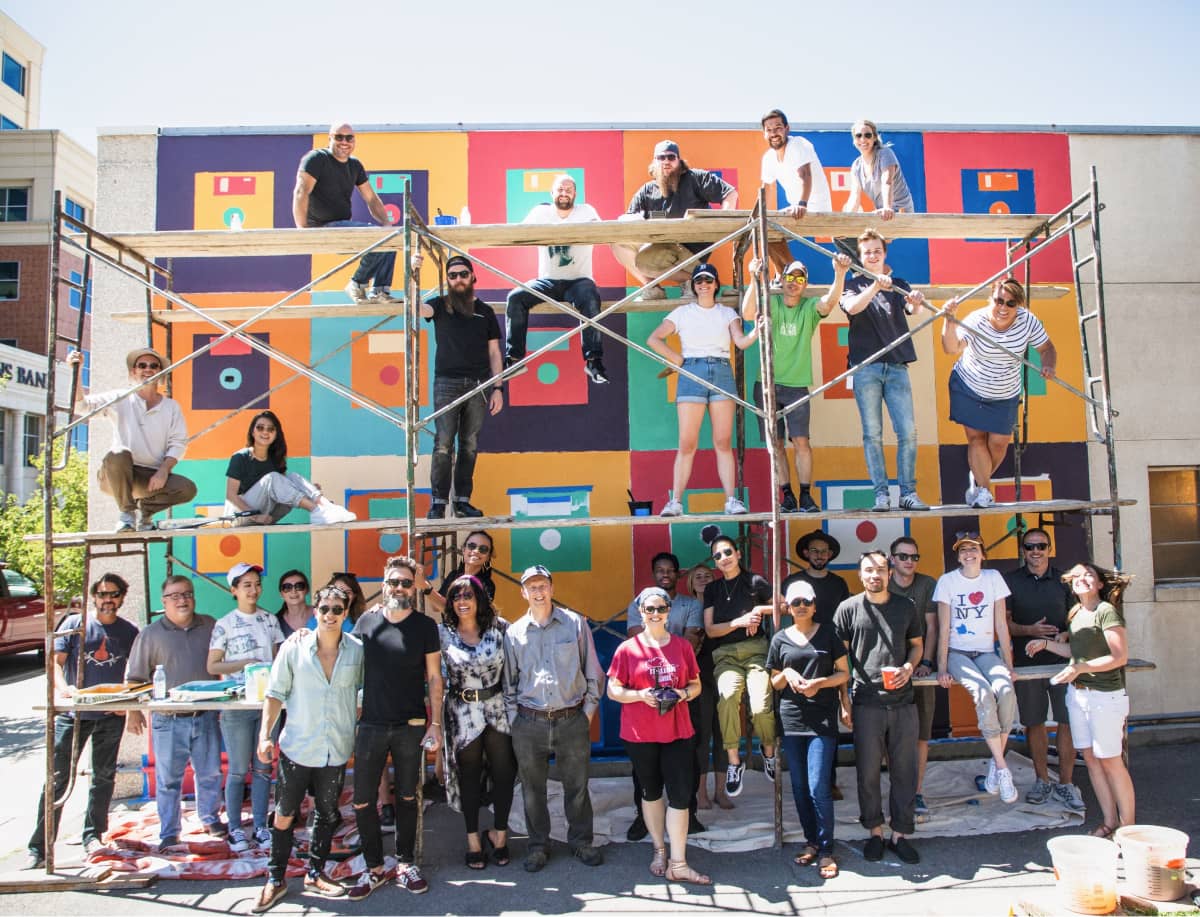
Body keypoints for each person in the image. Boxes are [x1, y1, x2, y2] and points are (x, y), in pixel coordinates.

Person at [252, 584, 364, 912]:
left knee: (327, 813)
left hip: (336, 746)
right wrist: (265, 735)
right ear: (316, 611)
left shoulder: (357, 650)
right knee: (285, 814)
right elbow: (275, 693)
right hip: (298, 746)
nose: (330, 615)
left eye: (337, 609)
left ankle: (315, 873)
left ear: (346, 613)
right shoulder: (294, 648)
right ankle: (275, 878)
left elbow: (367, 688)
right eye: (324, 608)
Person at [25, 574, 139, 869]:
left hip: (109, 716)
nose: (107, 599)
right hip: (73, 716)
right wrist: (64, 691)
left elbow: (137, 673)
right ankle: (39, 846)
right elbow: (54, 663)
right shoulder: (75, 625)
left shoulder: (129, 632)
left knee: (103, 778)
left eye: (113, 594)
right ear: (93, 597)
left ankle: (93, 835)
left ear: (122, 597)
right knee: (57, 780)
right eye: (101, 594)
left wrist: (127, 704)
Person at [347, 555, 442, 899]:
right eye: (393, 582)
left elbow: (434, 677)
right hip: (370, 724)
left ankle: (405, 863)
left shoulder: (424, 626)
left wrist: (436, 724)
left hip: (410, 724)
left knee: (407, 796)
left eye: (406, 582)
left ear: (413, 587)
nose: (399, 588)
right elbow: (348, 674)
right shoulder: (365, 624)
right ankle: (373, 867)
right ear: (383, 585)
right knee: (362, 800)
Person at [502, 564, 605, 873]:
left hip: (571, 719)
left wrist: (586, 714)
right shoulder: (514, 632)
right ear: (522, 592)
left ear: (552, 588)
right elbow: (509, 682)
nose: (538, 590)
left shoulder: (574, 624)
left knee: (577, 786)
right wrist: (514, 721)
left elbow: (594, 673)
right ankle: (538, 846)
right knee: (533, 790)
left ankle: (581, 842)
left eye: (543, 584)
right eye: (531, 586)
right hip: (528, 722)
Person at [608, 587, 709, 886]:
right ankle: (659, 850)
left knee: (680, 795)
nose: (655, 614)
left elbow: (696, 685)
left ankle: (678, 862)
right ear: (640, 611)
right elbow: (613, 690)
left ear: (669, 611)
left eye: (660, 608)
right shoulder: (627, 649)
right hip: (640, 733)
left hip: (678, 730)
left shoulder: (682, 647)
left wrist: (681, 693)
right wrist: (640, 695)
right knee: (650, 793)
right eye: (649, 609)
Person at [1026, 562, 1133, 838]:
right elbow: (1075, 651)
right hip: (1078, 696)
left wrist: (1080, 668)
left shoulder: (1106, 611)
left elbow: (1119, 657)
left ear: (1099, 584)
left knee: (1111, 760)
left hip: (1105, 697)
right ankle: (1109, 823)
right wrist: (1047, 644)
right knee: (1091, 758)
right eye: (1076, 576)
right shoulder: (1075, 612)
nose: (1082, 579)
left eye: (1089, 576)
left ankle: (1129, 830)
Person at [648, 262, 759, 517]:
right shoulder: (682, 312)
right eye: (699, 281)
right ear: (693, 286)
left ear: (716, 284)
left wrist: (757, 333)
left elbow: (740, 342)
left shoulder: (727, 313)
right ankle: (675, 502)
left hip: (721, 370)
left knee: (722, 441)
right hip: (691, 371)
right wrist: (676, 359)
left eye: (708, 280)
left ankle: (731, 500)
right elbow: (654, 338)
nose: (704, 284)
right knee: (687, 443)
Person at [742, 253, 851, 513]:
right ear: (781, 280)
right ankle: (786, 495)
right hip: (766, 384)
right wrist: (753, 277)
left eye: (800, 277)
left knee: (801, 441)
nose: (794, 282)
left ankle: (805, 495)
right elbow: (747, 313)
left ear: (805, 284)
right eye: (790, 276)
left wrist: (840, 274)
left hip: (797, 386)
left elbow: (829, 303)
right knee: (776, 443)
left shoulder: (808, 308)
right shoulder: (772, 302)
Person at [834, 551, 923, 865]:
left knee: (905, 772)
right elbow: (839, 662)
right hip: (866, 703)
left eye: (881, 569)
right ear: (860, 574)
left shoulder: (906, 607)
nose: (875, 575)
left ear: (889, 572)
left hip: (903, 702)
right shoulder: (847, 610)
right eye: (869, 570)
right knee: (868, 772)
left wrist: (910, 669)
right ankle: (874, 831)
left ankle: (901, 833)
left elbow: (917, 644)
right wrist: (844, 702)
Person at [125, 575, 223, 851]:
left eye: (187, 594)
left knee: (210, 773)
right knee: (168, 780)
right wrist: (134, 713)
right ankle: (169, 831)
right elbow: (134, 678)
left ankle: (210, 818)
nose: (183, 600)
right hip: (168, 720)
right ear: (164, 601)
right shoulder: (151, 634)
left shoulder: (210, 625)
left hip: (204, 715)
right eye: (176, 595)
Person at [941, 279, 1058, 508]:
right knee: (976, 439)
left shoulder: (1027, 321)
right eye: (999, 301)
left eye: (1011, 303)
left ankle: (977, 481)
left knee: (999, 443)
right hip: (969, 386)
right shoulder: (977, 320)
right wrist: (949, 320)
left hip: (1005, 392)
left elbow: (1047, 349)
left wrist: (1049, 365)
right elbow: (950, 348)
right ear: (991, 299)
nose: (1003, 307)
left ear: (1019, 306)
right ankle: (984, 491)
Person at [839, 230, 930, 512]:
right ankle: (881, 494)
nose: (873, 255)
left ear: (884, 253)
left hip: (897, 366)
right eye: (867, 252)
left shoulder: (899, 283)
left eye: (877, 250)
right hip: (865, 368)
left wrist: (915, 303)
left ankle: (908, 493)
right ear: (861, 256)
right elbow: (852, 308)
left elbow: (914, 312)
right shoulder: (853, 284)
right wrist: (876, 287)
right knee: (872, 434)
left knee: (908, 432)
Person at [768, 579, 850, 879]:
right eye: (795, 602)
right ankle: (812, 842)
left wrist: (820, 684)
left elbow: (844, 673)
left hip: (822, 719)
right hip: (791, 719)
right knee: (800, 787)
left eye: (806, 602)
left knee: (818, 787)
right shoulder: (780, 639)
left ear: (814, 605)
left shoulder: (829, 633)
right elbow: (774, 682)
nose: (801, 607)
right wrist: (788, 672)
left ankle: (828, 849)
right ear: (788, 607)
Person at [413, 252, 503, 520]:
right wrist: (413, 274)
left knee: (469, 444)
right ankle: (438, 503)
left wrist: (498, 388)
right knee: (443, 443)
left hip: (479, 385)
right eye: (452, 276)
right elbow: (415, 308)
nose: (459, 280)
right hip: (446, 383)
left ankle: (462, 502)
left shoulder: (485, 312)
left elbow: (495, 353)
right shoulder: (440, 305)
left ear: (473, 277)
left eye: (463, 274)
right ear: (448, 280)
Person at [623, 553, 705, 840]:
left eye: (671, 570)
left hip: (682, 693)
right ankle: (642, 817)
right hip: (646, 696)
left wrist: (669, 646)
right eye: (660, 570)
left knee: (687, 759)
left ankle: (688, 813)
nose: (666, 574)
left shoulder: (691, 604)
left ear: (678, 574)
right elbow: (638, 640)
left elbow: (692, 641)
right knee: (644, 765)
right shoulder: (638, 603)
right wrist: (670, 646)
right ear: (653, 573)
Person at [439, 574, 517, 870]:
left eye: (468, 595)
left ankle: (499, 835)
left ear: (480, 599)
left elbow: (516, 670)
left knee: (504, 773)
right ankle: (473, 840)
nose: (462, 601)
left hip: (497, 708)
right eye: (456, 596)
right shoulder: (442, 633)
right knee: (468, 777)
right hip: (461, 712)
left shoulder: (502, 629)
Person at [73, 347, 196, 532]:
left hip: (149, 478)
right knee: (118, 453)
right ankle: (127, 515)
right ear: (133, 371)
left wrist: (163, 470)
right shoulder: (120, 398)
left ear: (160, 372)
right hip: (117, 475)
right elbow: (82, 406)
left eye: (154, 366)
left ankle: (145, 511)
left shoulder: (171, 407)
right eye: (142, 365)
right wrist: (77, 370)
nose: (148, 369)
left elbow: (178, 443)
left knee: (187, 488)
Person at [934, 532, 1018, 803]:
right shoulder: (947, 581)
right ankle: (1003, 769)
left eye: (974, 549)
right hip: (958, 653)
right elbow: (943, 627)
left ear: (983, 553)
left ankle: (996, 764)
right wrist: (943, 667)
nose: (968, 554)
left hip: (985, 652)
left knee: (1005, 689)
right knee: (982, 692)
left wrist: (1008, 664)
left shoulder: (993, 578)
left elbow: (1001, 625)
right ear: (957, 555)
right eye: (963, 550)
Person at [206, 561, 284, 851]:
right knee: (238, 769)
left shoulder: (270, 621)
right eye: (246, 585)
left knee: (264, 767)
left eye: (256, 584)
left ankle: (262, 826)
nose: (253, 590)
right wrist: (245, 664)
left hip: (267, 705)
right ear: (234, 590)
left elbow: (279, 660)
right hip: (236, 706)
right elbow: (212, 664)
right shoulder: (224, 623)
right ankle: (236, 828)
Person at [1004, 527, 1083, 809]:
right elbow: (1005, 624)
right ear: (1023, 550)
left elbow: (1079, 619)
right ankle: (1041, 780)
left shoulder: (1064, 581)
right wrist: (1030, 630)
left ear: (1049, 548)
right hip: (1026, 665)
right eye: (1029, 546)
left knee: (1067, 721)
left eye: (1041, 546)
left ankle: (1066, 783)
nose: (1035, 551)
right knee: (1034, 722)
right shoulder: (1011, 580)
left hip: (1063, 663)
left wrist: (1066, 635)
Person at [506, 174, 608, 384]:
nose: (564, 193)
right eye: (560, 189)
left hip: (578, 279)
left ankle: (593, 362)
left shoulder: (586, 211)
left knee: (590, 298)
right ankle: (514, 360)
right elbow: (520, 233)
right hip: (548, 280)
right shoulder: (541, 212)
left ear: (575, 194)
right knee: (516, 297)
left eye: (569, 189)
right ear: (552, 193)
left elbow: (603, 232)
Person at [612, 140, 737, 299]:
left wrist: (722, 222)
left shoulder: (695, 179)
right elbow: (628, 221)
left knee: (645, 261)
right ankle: (654, 288)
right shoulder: (647, 191)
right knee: (618, 242)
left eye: (671, 157)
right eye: (661, 157)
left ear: (679, 161)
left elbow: (730, 193)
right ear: (654, 162)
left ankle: (694, 280)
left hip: (693, 255)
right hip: (662, 249)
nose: (666, 161)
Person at [702, 533, 776, 797]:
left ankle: (768, 751)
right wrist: (737, 623)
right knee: (728, 697)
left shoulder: (754, 581)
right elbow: (710, 630)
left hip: (756, 651)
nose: (723, 558)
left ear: (738, 554)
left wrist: (758, 612)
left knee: (760, 704)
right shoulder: (712, 589)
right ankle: (734, 761)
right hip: (725, 655)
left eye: (728, 552)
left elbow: (783, 606)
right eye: (718, 555)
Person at [293, 122, 398, 304]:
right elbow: (302, 191)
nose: (344, 142)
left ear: (354, 140)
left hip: (341, 226)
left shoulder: (354, 165)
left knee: (390, 237)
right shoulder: (317, 159)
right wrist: (302, 230)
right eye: (339, 137)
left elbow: (371, 199)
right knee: (377, 236)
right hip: (322, 227)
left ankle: (380, 291)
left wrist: (388, 226)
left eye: (349, 137)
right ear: (329, 139)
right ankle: (357, 283)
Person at [224, 411, 355, 526]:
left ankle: (326, 507)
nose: (265, 432)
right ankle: (316, 511)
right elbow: (231, 495)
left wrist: (308, 489)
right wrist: (255, 516)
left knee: (291, 477)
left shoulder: (274, 459)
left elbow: (284, 489)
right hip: (239, 515)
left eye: (270, 429)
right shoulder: (240, 457)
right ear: (253, 431)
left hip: (266, 515)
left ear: (276, 434)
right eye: (260, 427)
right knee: (273, 477)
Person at [887, 536, 939, 816]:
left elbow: (932, 627)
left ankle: (916, 792)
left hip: (919, 667)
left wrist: (926, 662)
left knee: (921, 735)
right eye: (904, 556)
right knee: (889, 733)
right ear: (892, 558)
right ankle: (897, 788)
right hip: (890, 669)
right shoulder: (882, 582)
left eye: (914, 557)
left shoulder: (927, 584)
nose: (909, 561)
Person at [759, 109, 834, 277]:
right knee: (762, 229)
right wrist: (760, 215)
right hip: (796, 210)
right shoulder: (768, 158)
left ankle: (794, 272)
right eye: (769, 130)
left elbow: (805, 175)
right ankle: (784, 274)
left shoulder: (798, 144)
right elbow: (766, 188)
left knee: (768, 228)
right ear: (764, 134)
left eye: (778, 128)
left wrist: (802, 204)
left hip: (814, 209)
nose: (774, 133)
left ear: (787, 128)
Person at [688, 563, 732, 812]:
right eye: (698, 577)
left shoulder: (722, 606)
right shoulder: (688, 608)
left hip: (723, 673)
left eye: (707, 576)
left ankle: (721, 792)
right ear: (691, 582)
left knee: (725, 734)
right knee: (702, 736)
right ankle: (701, 792)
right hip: (699, 678)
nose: (703, 580)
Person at [842, 119, 915, 222]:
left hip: (899, 210)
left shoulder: (885, 154)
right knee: (847, 234)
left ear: (874, 137)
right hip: (882, 213)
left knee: (872, 233)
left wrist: (887, 207)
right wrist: (844, 221)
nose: (863, 139)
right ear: (854, 140)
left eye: (867, 135)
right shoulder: (856, 166)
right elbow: (854, 196)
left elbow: (887, 182)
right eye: (858, 135)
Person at [782, 531, 851, 627]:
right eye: (814, 551)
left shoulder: (839, 583)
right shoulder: (792, 582)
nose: (819, 555)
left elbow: (846, 614)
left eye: (824, 551)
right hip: (801, 639)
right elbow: (780, 608)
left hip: (832, 639)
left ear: (829, 554)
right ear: (806, 553)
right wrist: (760, 609)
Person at [426, 530, 496, 618]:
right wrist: (424, 581)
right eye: (472, 546)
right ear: (463, 549)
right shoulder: (453, 576)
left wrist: (425, 586)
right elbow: (435, 607)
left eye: (483, 549)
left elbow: (461, 615)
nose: (476, 551)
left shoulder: (487, 585)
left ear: (488, 556)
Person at [275, 569, 311, 638]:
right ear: (281, 594)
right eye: (287, 587)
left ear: (307, 590)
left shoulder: (321, 614)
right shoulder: (275, 622)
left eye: (299, 586)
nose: (293, 591)